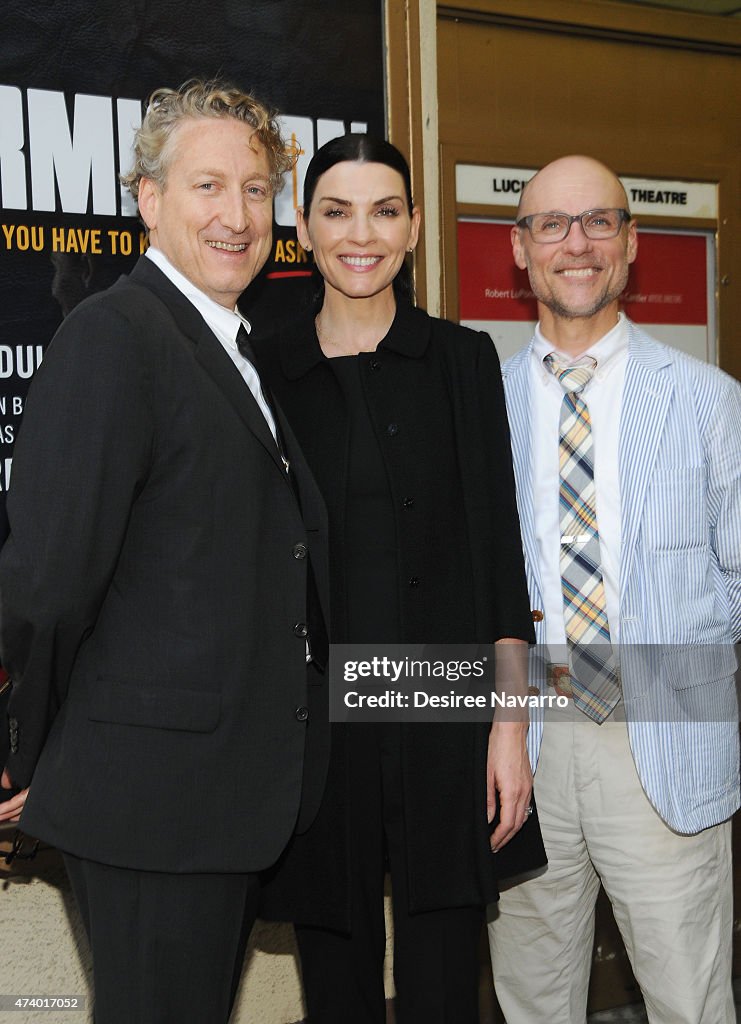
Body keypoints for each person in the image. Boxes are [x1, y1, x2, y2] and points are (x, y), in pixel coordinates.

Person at [0, 79, 330, 1024]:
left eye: (258, 190)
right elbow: (49, 580)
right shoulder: (114, 335)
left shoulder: (228, 342)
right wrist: (27, 750)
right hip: (150, 805)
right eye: (208, 187)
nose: (238, 215)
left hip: (211, 802)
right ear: (148, 199)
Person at [253, 134, 545, 1024]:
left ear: (413, 227)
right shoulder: (265, 366)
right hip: (316, 728)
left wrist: (508, 727)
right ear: (302, 228)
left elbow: (498, 553)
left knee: (442, 990)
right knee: (335, 991)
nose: (361, 235)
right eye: (336, 211)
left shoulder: (459, 360)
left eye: (385, 211)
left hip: (443, 716)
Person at [487, 154, 740, 1024]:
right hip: (524, 749)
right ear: (519, 251)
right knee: (532, 1000)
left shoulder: (710, 404)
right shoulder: (482, 408)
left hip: (663, 743)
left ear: (630, 244)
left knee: (689, 1001)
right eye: (550, 225)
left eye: (598, 222)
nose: (576, 244)